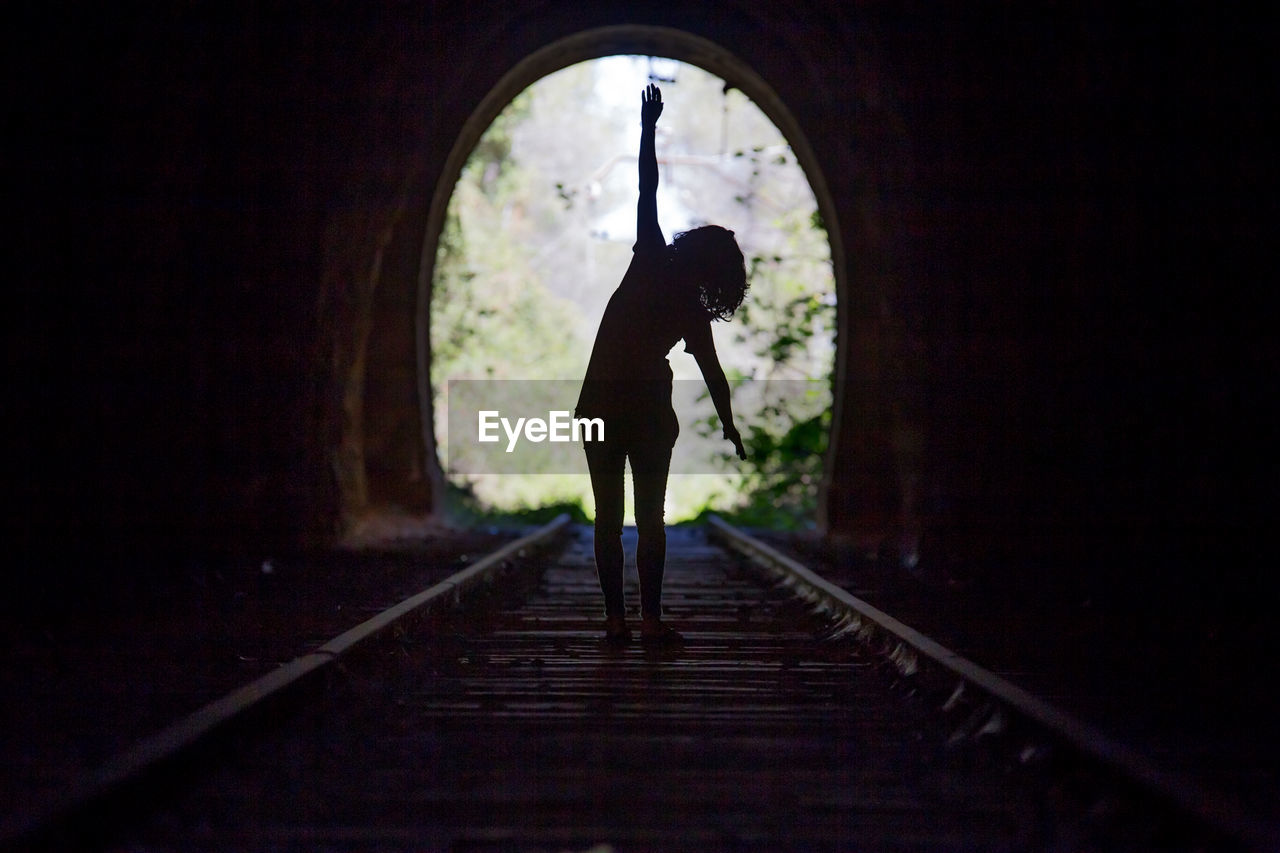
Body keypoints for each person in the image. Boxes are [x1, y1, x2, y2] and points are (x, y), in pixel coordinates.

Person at [575, 84, 749, 647]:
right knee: (651, 521)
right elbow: (715, 376)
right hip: (649, 412)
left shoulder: (650, 253)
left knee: (608, 517)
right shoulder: (693, 312)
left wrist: (648, 125)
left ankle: (615, 621)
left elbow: (646, 185)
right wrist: (728, 425)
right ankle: (649, 622)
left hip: (600, 402)